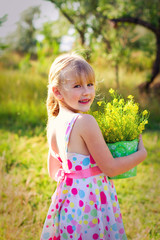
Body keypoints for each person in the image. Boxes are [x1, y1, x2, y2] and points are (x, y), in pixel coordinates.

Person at [41, 53, 147, 240]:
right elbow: (111, 168)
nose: (87, 92)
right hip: (91, 206)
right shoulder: (85, 122)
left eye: (90, 84)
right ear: (58, 92)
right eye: (77, 86)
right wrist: (141, 154)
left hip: (70, 206)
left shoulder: (54, 123)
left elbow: (53, 171)